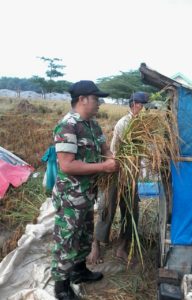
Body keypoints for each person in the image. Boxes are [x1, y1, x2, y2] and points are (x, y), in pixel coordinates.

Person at [51, 80, 119, 300]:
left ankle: (79, 271)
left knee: (85, 234)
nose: (99, 103)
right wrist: (103, 167)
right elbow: (67, 165)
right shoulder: (68, 126)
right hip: (70, 197)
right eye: (96, 98)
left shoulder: (93, 124)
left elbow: (104, 147)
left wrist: (111, 158)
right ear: (82, 99)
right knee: (67, 239)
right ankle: (61, 287)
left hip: (88, 194)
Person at [87, 91, 149, 265]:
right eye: (143, 105)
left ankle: (122, 245)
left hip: (132, 175)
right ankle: (96, 244)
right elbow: (114, 152)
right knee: (107, 207)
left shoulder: (144, 124)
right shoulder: (125, 123)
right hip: (116, 172)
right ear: (135, 104)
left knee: (131, 211)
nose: (145, 109)